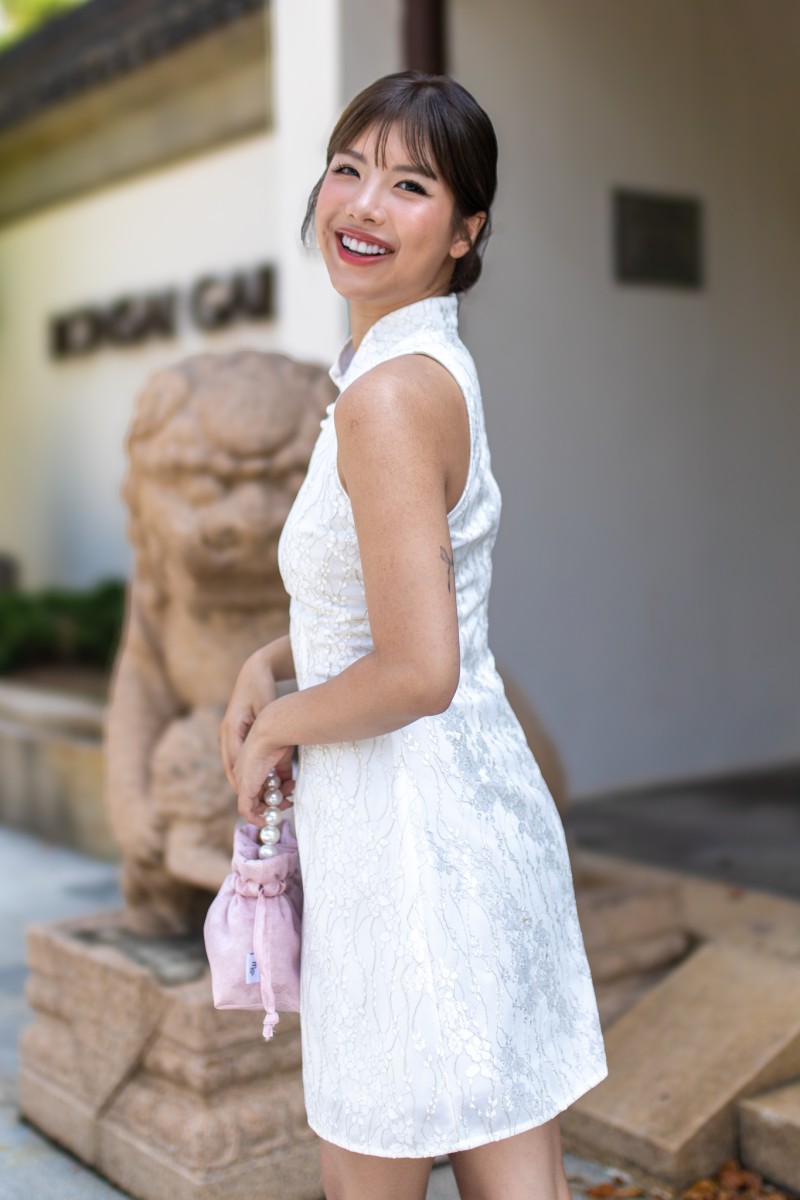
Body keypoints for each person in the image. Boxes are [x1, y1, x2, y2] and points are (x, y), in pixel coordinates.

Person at [220, 70, 608, 1200]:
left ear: (464, 229)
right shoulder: (406, 366)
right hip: (450, 824)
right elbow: (401, 599)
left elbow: (419, 666)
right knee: (508, 1162)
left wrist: (273, 727)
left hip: (411, 850)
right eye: (348, 169)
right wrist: (272, 658)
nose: (362, 205)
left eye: (409, 184)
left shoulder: (388, 396)